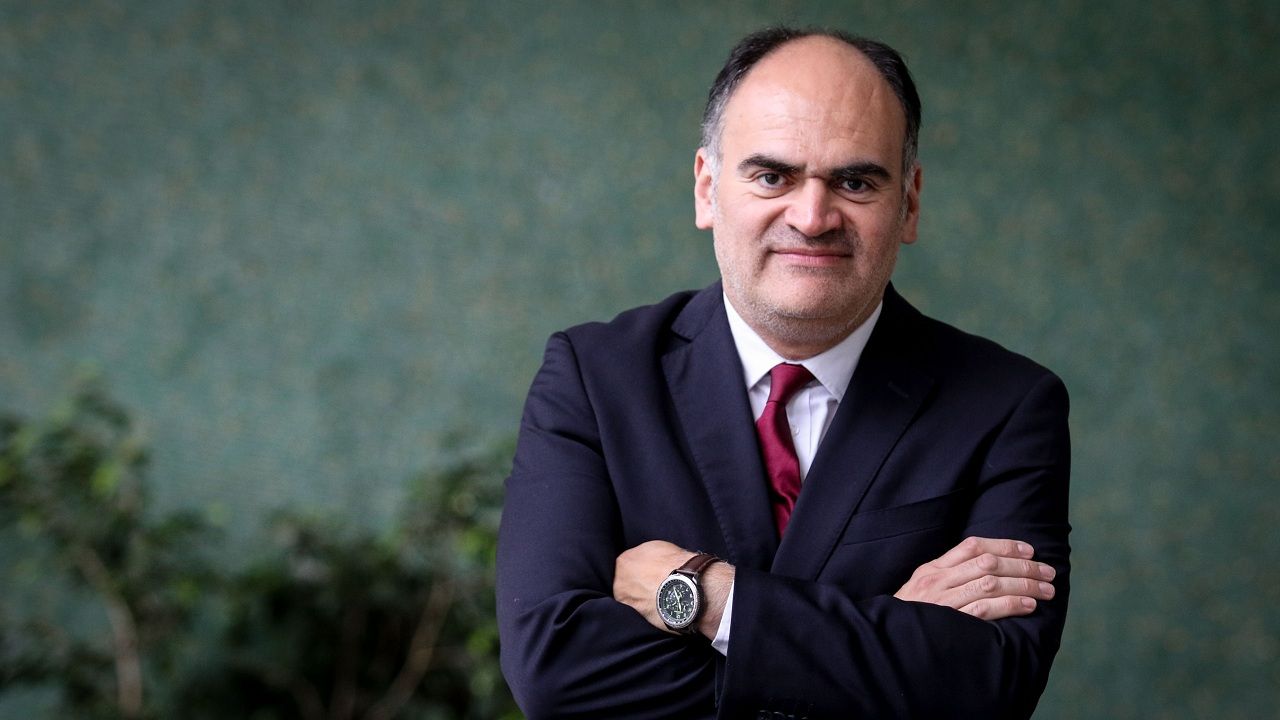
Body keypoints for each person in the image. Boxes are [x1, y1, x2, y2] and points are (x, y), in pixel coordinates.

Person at [497, 26, 1070, 719]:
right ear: (707, 189)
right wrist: (885, 645)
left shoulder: (1007, 406)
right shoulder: (594, 378)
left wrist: (712, 599)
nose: (812, 216)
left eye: (855, 182)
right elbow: (553, 669)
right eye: (772, 176)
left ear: (910, 203)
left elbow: (991, 684)